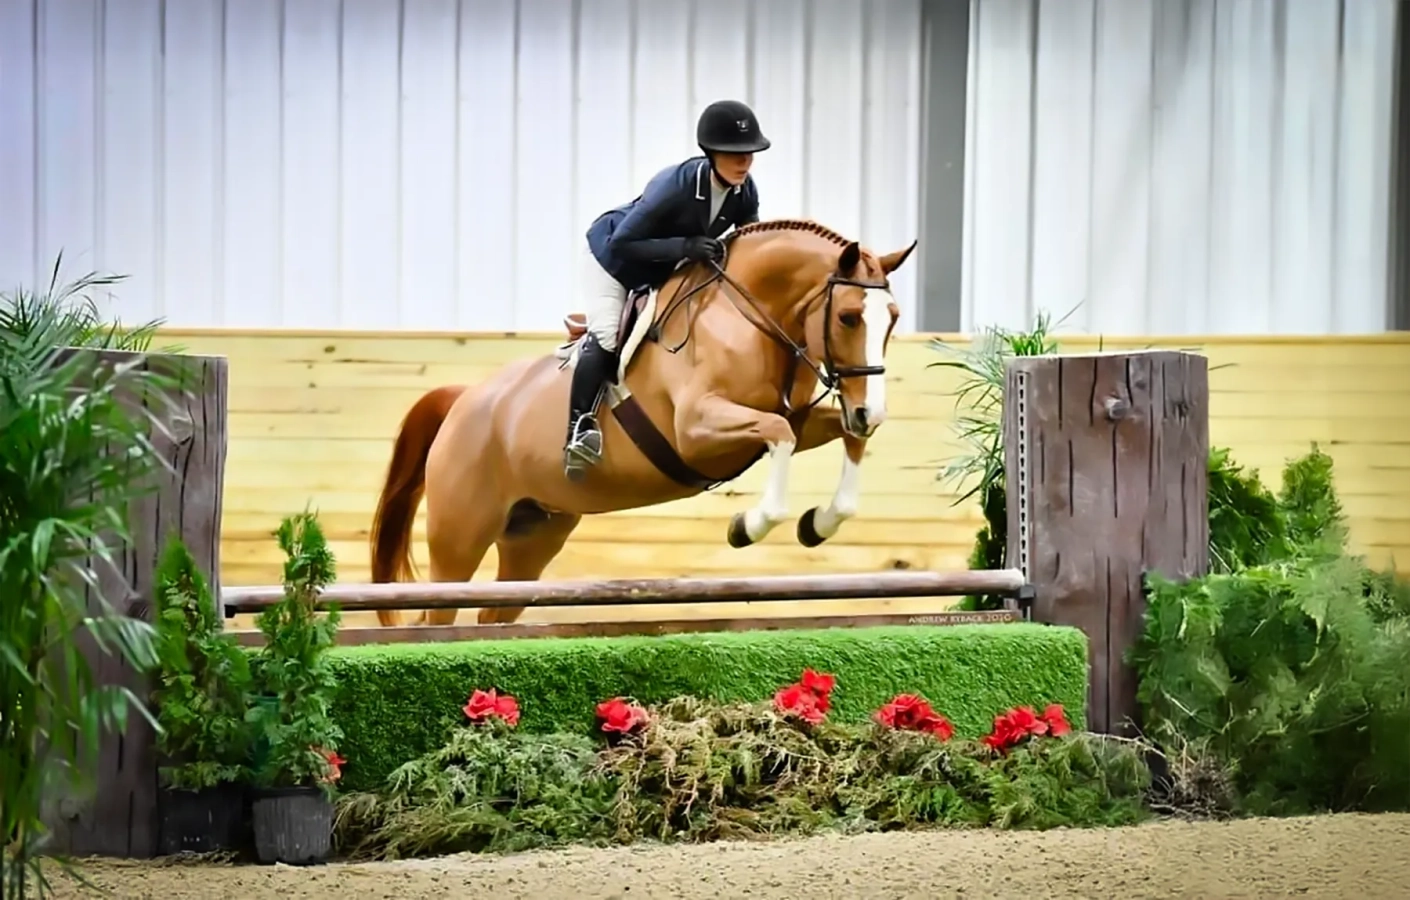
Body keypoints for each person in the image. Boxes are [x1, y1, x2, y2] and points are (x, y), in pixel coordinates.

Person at [563, 98, 771, 481]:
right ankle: (579, 428)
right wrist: (685, 247)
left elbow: (749, 244)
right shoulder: (674, 186)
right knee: (608, 334)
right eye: (735, 154)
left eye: (750, 154)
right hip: (612, 259)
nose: (745, 162)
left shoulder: (745, 192)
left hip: (660, 268)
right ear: (711, 153)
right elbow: (623, 242)